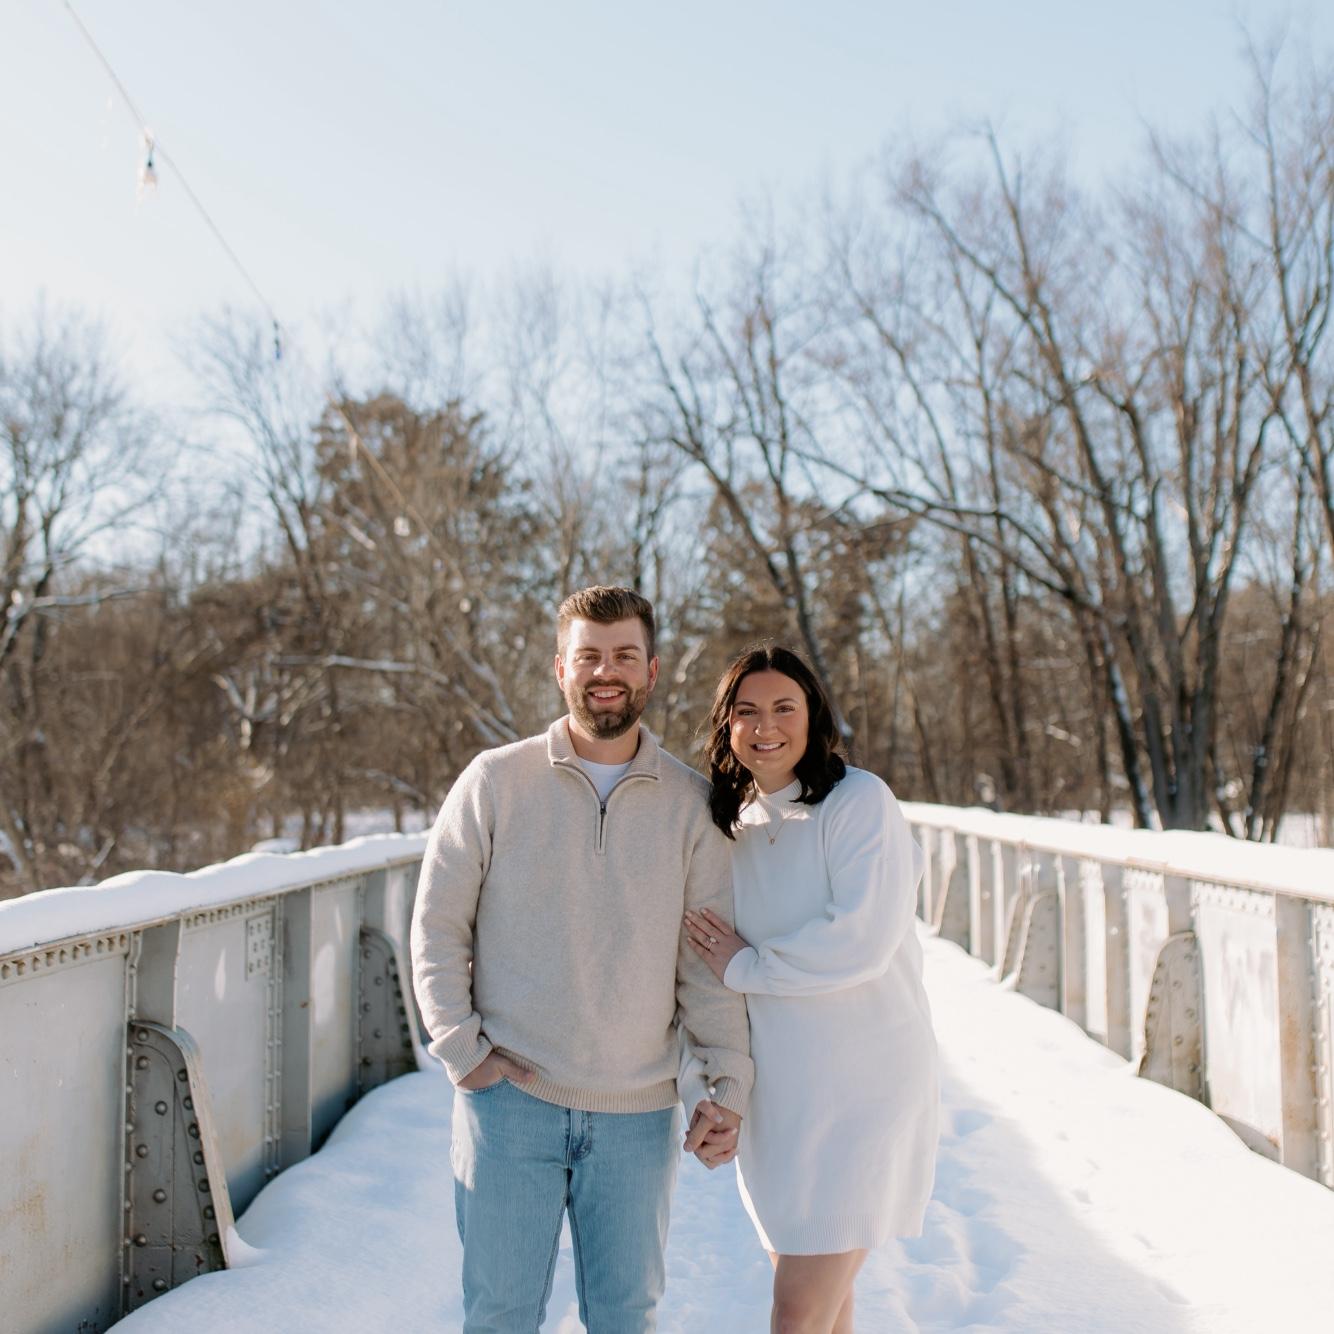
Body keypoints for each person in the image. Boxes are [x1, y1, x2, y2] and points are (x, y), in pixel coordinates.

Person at [410, 585, 753, 1334]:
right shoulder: (495, 782)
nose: (607, 671)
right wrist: (463, 1053)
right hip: (510, 1104)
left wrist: (726, 1082)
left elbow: (706, 965)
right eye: (589, 655)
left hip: (637, 1115)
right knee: (499, 1317)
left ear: (651, 670)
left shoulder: (692, 807)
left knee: (626, 1319)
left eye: (625, 655)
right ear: (560, 667)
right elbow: (437, 927)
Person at [683, 645, 939, 1334]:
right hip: (784, 1102)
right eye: (747, 711)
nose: (765, 726)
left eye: (783, 708)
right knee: (825, 1308)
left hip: (864, 1091)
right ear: (727, 725)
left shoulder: (859, 801)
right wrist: (712, 1083)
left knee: (797, 1311)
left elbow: (862, 938)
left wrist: (747, 967)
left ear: (813, 715)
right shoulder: (732, 824)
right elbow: (698, 961)